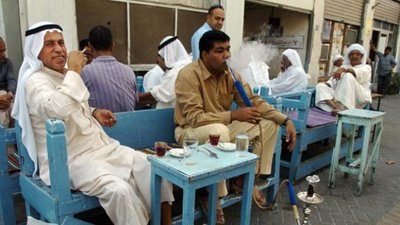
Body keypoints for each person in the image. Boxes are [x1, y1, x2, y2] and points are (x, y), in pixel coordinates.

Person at [11, 21, 174, 225]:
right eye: (49, 44)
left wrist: (94, 111)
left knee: (153, 169)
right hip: (71, 160)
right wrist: (75, 72)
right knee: (119, 191)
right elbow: (56, 109)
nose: (59, 49)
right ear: (36, 51)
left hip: (99, 149)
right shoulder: (35, 81)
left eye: (61, 42)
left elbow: (72, 104)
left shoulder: (62, 76)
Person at [174, 30, 296, 223]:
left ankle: (246, 179)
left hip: (221, 128)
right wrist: (233, 115)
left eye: (228, 49)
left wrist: (285, 120)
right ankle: (214, 194)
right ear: (205, 55)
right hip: (190, 132)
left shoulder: (230, 73)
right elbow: (195, 118)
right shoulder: (188, 75)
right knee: (218, 131)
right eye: (220, 51)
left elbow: (253, 101)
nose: (227, 55)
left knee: (269, 124)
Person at [81, 26, 138, 113]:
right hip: (130, 124)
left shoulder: (84, 72)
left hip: (98, 126)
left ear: (90, 47)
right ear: (113, 46)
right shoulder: (129, 71)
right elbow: (135, 101)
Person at [315, 43, 372, 115]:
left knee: (348, 76)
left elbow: (356, 73)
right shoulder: (344, 67)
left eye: (357, 54)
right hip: (339, 96)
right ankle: (336, 108)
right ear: (349, 56)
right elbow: (333, 82)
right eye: (352, 54)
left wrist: (343, 69)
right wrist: (326, 84)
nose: (354, 56)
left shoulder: (366, 67)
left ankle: (346, 108)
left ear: (361, 56)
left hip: (359, 96)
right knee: (320, 86)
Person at [139, 36, 191, 109]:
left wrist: (139, 96)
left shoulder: (176, 71)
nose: (158, 60)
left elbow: (162, 93)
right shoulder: (189, 65)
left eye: (159, 56)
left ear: (167, 56)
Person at [0, 37, 17, 128]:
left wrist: (9, 95)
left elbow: (11, 80)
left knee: (16, 109)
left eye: (4, 50)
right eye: (0, 51)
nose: (3, 54)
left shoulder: (7, 63)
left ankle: (14, 138)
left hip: (7, 97)